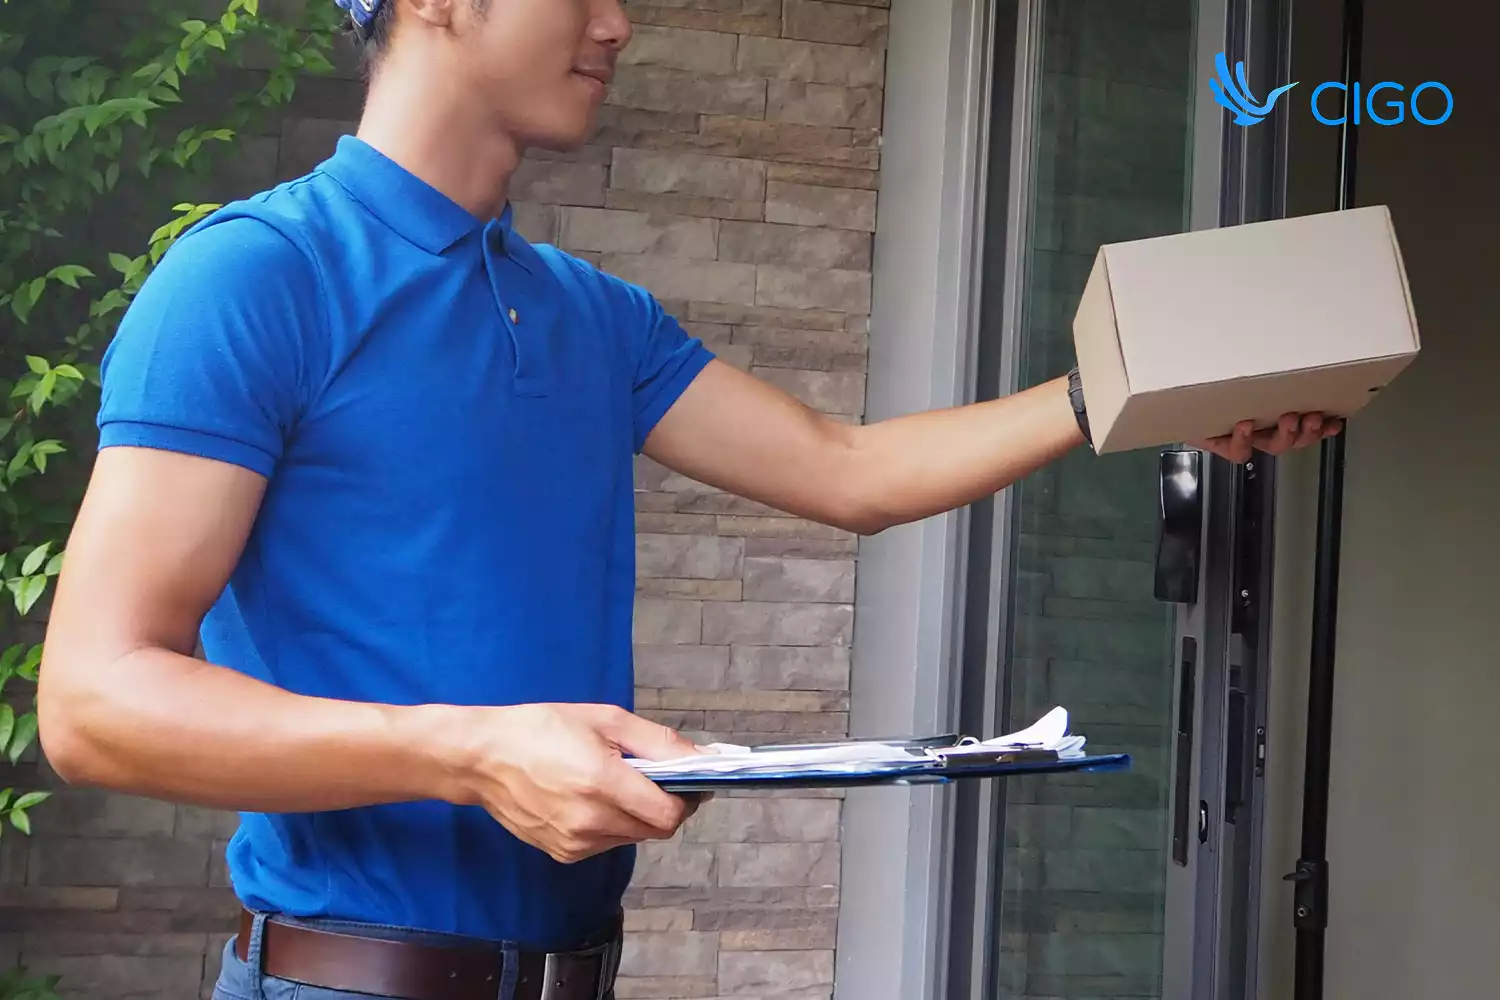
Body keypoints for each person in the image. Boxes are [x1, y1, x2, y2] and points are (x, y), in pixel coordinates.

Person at [35, 1, 1341, 999]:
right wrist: (473, 755)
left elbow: (849, 469)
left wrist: (1127, 397)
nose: (618, 22)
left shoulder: (594, 316)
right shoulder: (258, 280)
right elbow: (96, 705)